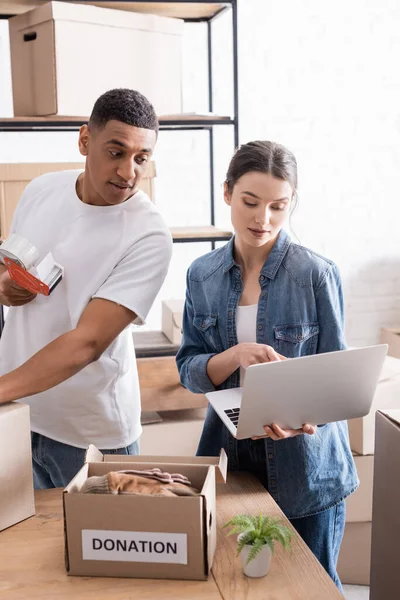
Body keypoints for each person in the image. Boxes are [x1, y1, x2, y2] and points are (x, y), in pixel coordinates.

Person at [176, 140, 358, 591]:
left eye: (278, 206)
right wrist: (235, 355)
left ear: (291, 201)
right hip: (232, 458)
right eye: (250, 202)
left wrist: (302, 420)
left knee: (312, 587)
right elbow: (189, 368)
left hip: (306, 466)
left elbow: (338, 379)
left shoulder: (315, 273)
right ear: (227, 193)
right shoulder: (201, 274)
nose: (263, 220)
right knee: (236, 585)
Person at [0, 88, 172, 489]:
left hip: (90, 436)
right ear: (84, 140)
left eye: (141, 158)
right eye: (117, 152)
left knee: (100, 552)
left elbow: (87, 342)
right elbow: (13, 266)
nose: (129, 172)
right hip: (18, 414)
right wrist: (6, 287)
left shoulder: (148, 235)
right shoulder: (41, 190)